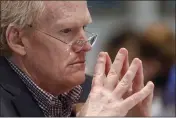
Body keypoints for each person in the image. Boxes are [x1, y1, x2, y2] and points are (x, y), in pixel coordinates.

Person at [0, 1, 154, 117]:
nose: (87, 46)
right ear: (18, 39)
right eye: (66, 31)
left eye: (84, 28)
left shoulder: (97, 93)